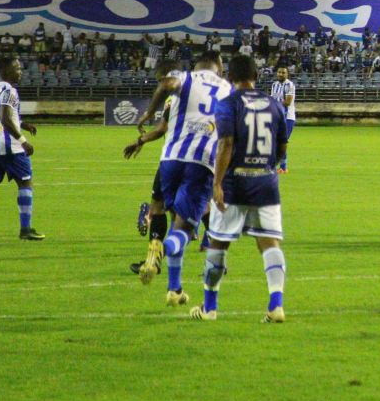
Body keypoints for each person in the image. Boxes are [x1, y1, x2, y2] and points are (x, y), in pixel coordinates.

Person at [188, 55, 289, 322]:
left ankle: (209, 308)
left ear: (229, 77)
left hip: (235, 183)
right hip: (266, 183)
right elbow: (282, 148)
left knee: (218, 244)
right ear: (257, 75)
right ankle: (275, 304)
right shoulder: (275, 105)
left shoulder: (228, 104)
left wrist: (217, 182)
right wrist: (267, 166)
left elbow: (226, 144)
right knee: (269, 243)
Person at [133, 52, 231, 303]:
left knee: (173, 218)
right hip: (201, 162)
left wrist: (147, 113)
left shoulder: (185, 77)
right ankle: (160, 250)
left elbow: (166, 84)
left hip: (170, 159)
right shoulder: (228, 90)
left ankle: (174, 290)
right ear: (218, 66)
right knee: (184, 229)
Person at [0, 56, 44, 242]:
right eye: (17, 68)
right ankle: (25, 229)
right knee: (25, 183)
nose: (20, 71)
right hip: (10, 147)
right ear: (6, 71)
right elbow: (5, 119)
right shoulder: (10, 91)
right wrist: (23, 140)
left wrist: (23, 124)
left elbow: (0, 117)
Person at [123, 59, 180, 275]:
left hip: (173, 158)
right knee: (183, 214)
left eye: (159, 81)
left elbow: (162, 129)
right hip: (201, 159)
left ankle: (153, 260)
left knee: (157, 207)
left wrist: (141, 140)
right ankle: (217, 257)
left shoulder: (173, 99)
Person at [270, 66, 297, 173]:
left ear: (287, 74)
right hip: (276, 117)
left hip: (288, 117)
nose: (281, 74)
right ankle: (277, 166)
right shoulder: (274, 85)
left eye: (283, 73)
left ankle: (283, 167)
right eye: (279, 72)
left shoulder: (289, 85)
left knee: (282, 141)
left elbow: (288, 102)